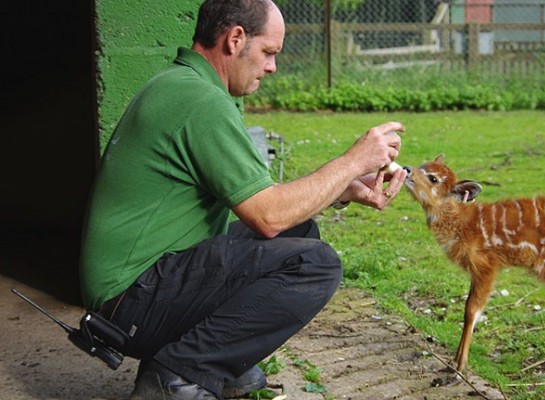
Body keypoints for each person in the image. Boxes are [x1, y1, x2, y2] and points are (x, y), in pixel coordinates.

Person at [79, 0, 407, 399]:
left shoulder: (184, 85)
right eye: (269, 53)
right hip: (129, 302)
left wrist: (347, 187)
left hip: (137, 287)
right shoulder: (201, 101)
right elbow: (268, 216)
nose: (272, 67)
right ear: (235, 39)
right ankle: (176, 374)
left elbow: (267, 204)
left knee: (301, 231)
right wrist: (353, 160)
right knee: (314, 264)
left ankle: (207, 356)